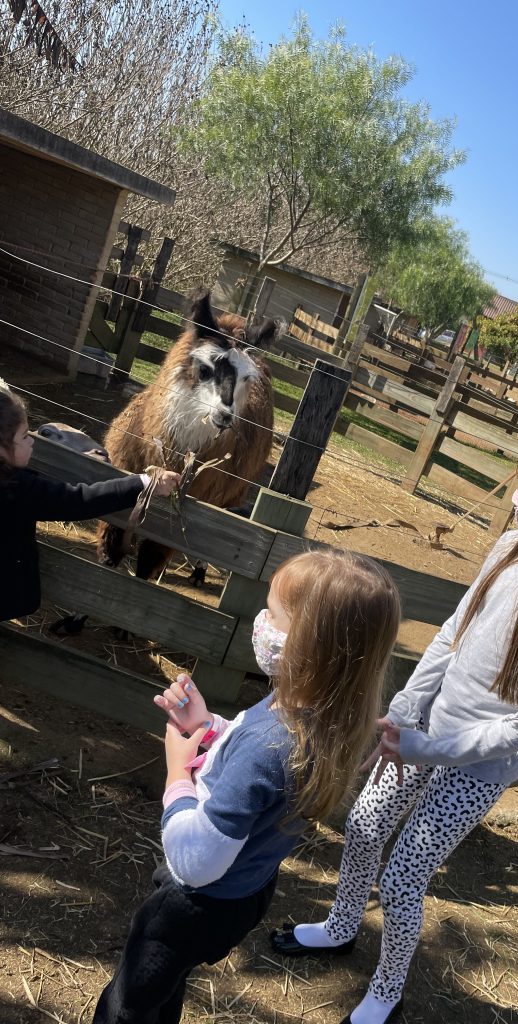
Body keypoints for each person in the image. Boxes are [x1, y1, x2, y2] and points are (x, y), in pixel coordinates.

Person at [271, 426, 518, 1024]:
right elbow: (453, 633)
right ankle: (340, 926)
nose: (516, 495)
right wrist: (405, 710)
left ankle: (387, 990)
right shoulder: (510, 547)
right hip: (422, 733)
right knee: (363, 824)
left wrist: (425, 747)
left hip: (473, 768)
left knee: (404, 877)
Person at [93, 548, 401, 1024]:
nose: (261, 621)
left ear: (311, 645)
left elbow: (196, 861)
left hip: (194, 904)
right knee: (165, 985)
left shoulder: (269, 744)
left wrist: (177, 772)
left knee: (129, 1002)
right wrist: (209, 727)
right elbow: (259, 770)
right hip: (244, 892)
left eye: (273, 614)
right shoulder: (319, 715)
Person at [0, 380, 179, 622]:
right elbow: (79, 500)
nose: (32, 440)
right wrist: (143, 483)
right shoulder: (16, 489)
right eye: (24, 437)